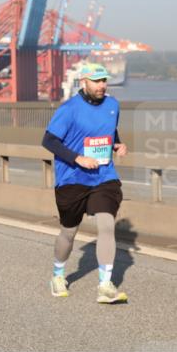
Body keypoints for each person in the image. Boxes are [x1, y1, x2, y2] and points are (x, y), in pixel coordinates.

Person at [42, 63, 128, 304]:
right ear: (83, 82)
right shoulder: (69, 109)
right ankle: (58, 274)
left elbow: (111, 130)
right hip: (72, 178)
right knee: (69, 232)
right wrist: (77, 157)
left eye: (104, 80)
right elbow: (49, 140)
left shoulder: (113, 105)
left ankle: (105, 285)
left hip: (103, 176)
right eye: (96, 81)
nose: (102, 85)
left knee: (107, 225)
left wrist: (117, 144)